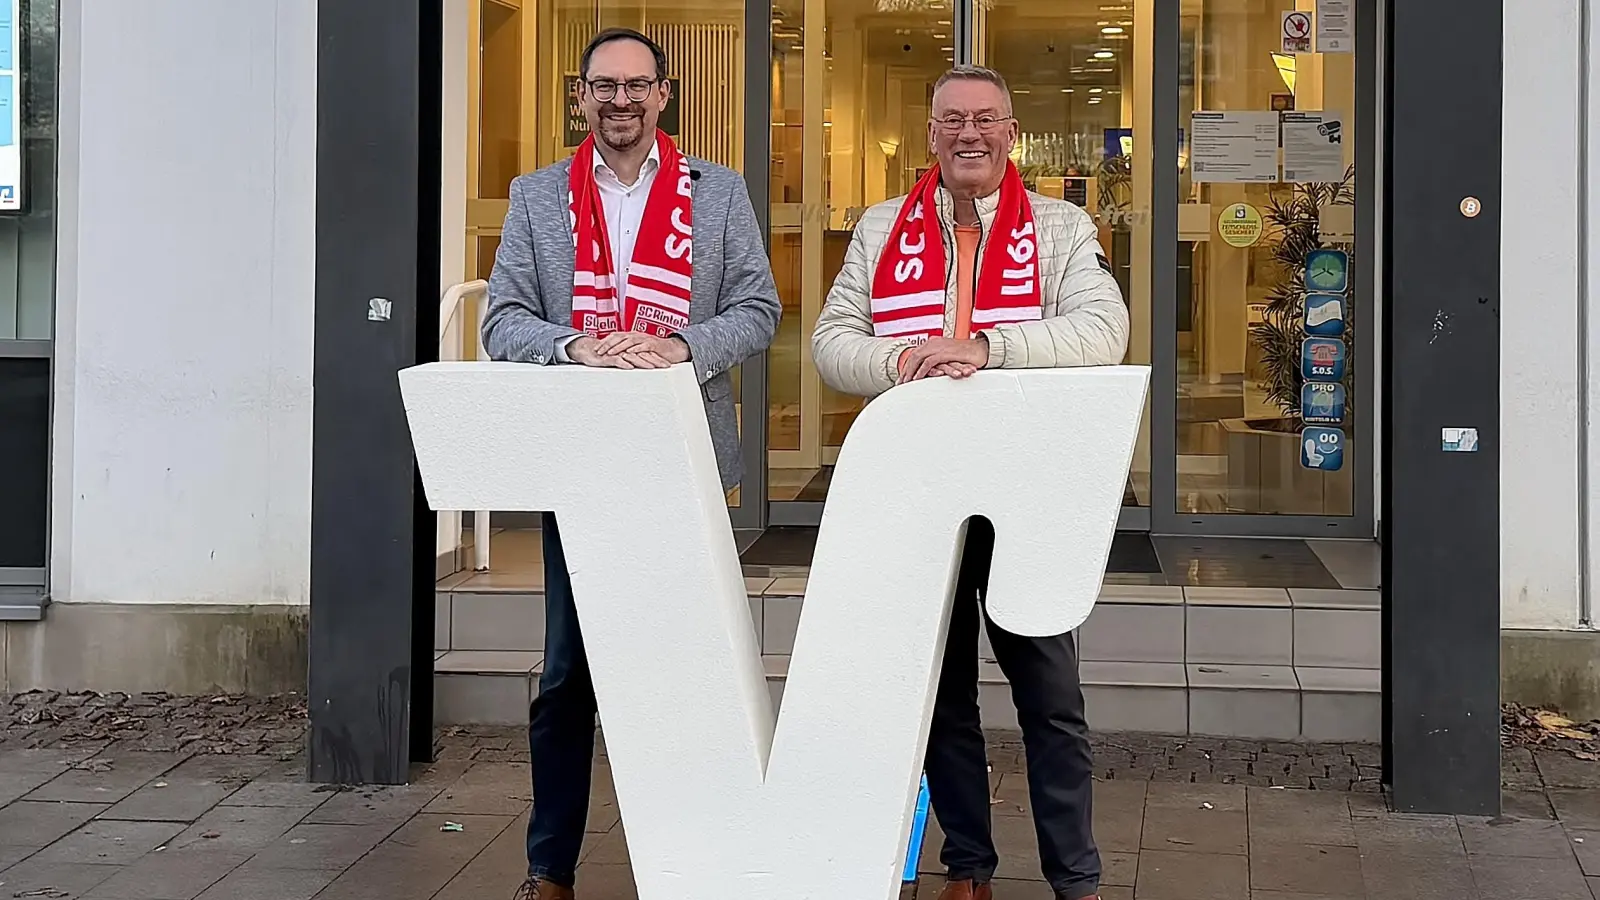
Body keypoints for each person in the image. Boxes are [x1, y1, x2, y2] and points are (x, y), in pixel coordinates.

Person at [811, 65, 1129, 900]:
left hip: (1024, 491)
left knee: (1051, 697)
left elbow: (1105, 329)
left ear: (1010, 133)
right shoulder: (883, 228)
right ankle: (969, 868)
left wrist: (988, 348)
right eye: (953, 120)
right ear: (930, 134)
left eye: (986, 119)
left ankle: (1077, 878)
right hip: (916, 493)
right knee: (940, 691)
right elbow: (832, 339)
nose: (969, 134)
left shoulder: (1060, 228)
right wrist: (899, 358)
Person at [481, 27, 781, 900]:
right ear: (580, 96)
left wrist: (677, 346)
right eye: (603, 85)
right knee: (570, 675)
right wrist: (582, 346)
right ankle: (551, 870)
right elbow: (503, 321)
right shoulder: (537, 198)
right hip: (579, 469)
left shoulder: (718, 195)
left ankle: (699, 861)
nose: (620, 100)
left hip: (686, 465)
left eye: (636, 85)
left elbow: (758, 309)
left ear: (664, 94)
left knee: (692, 672)